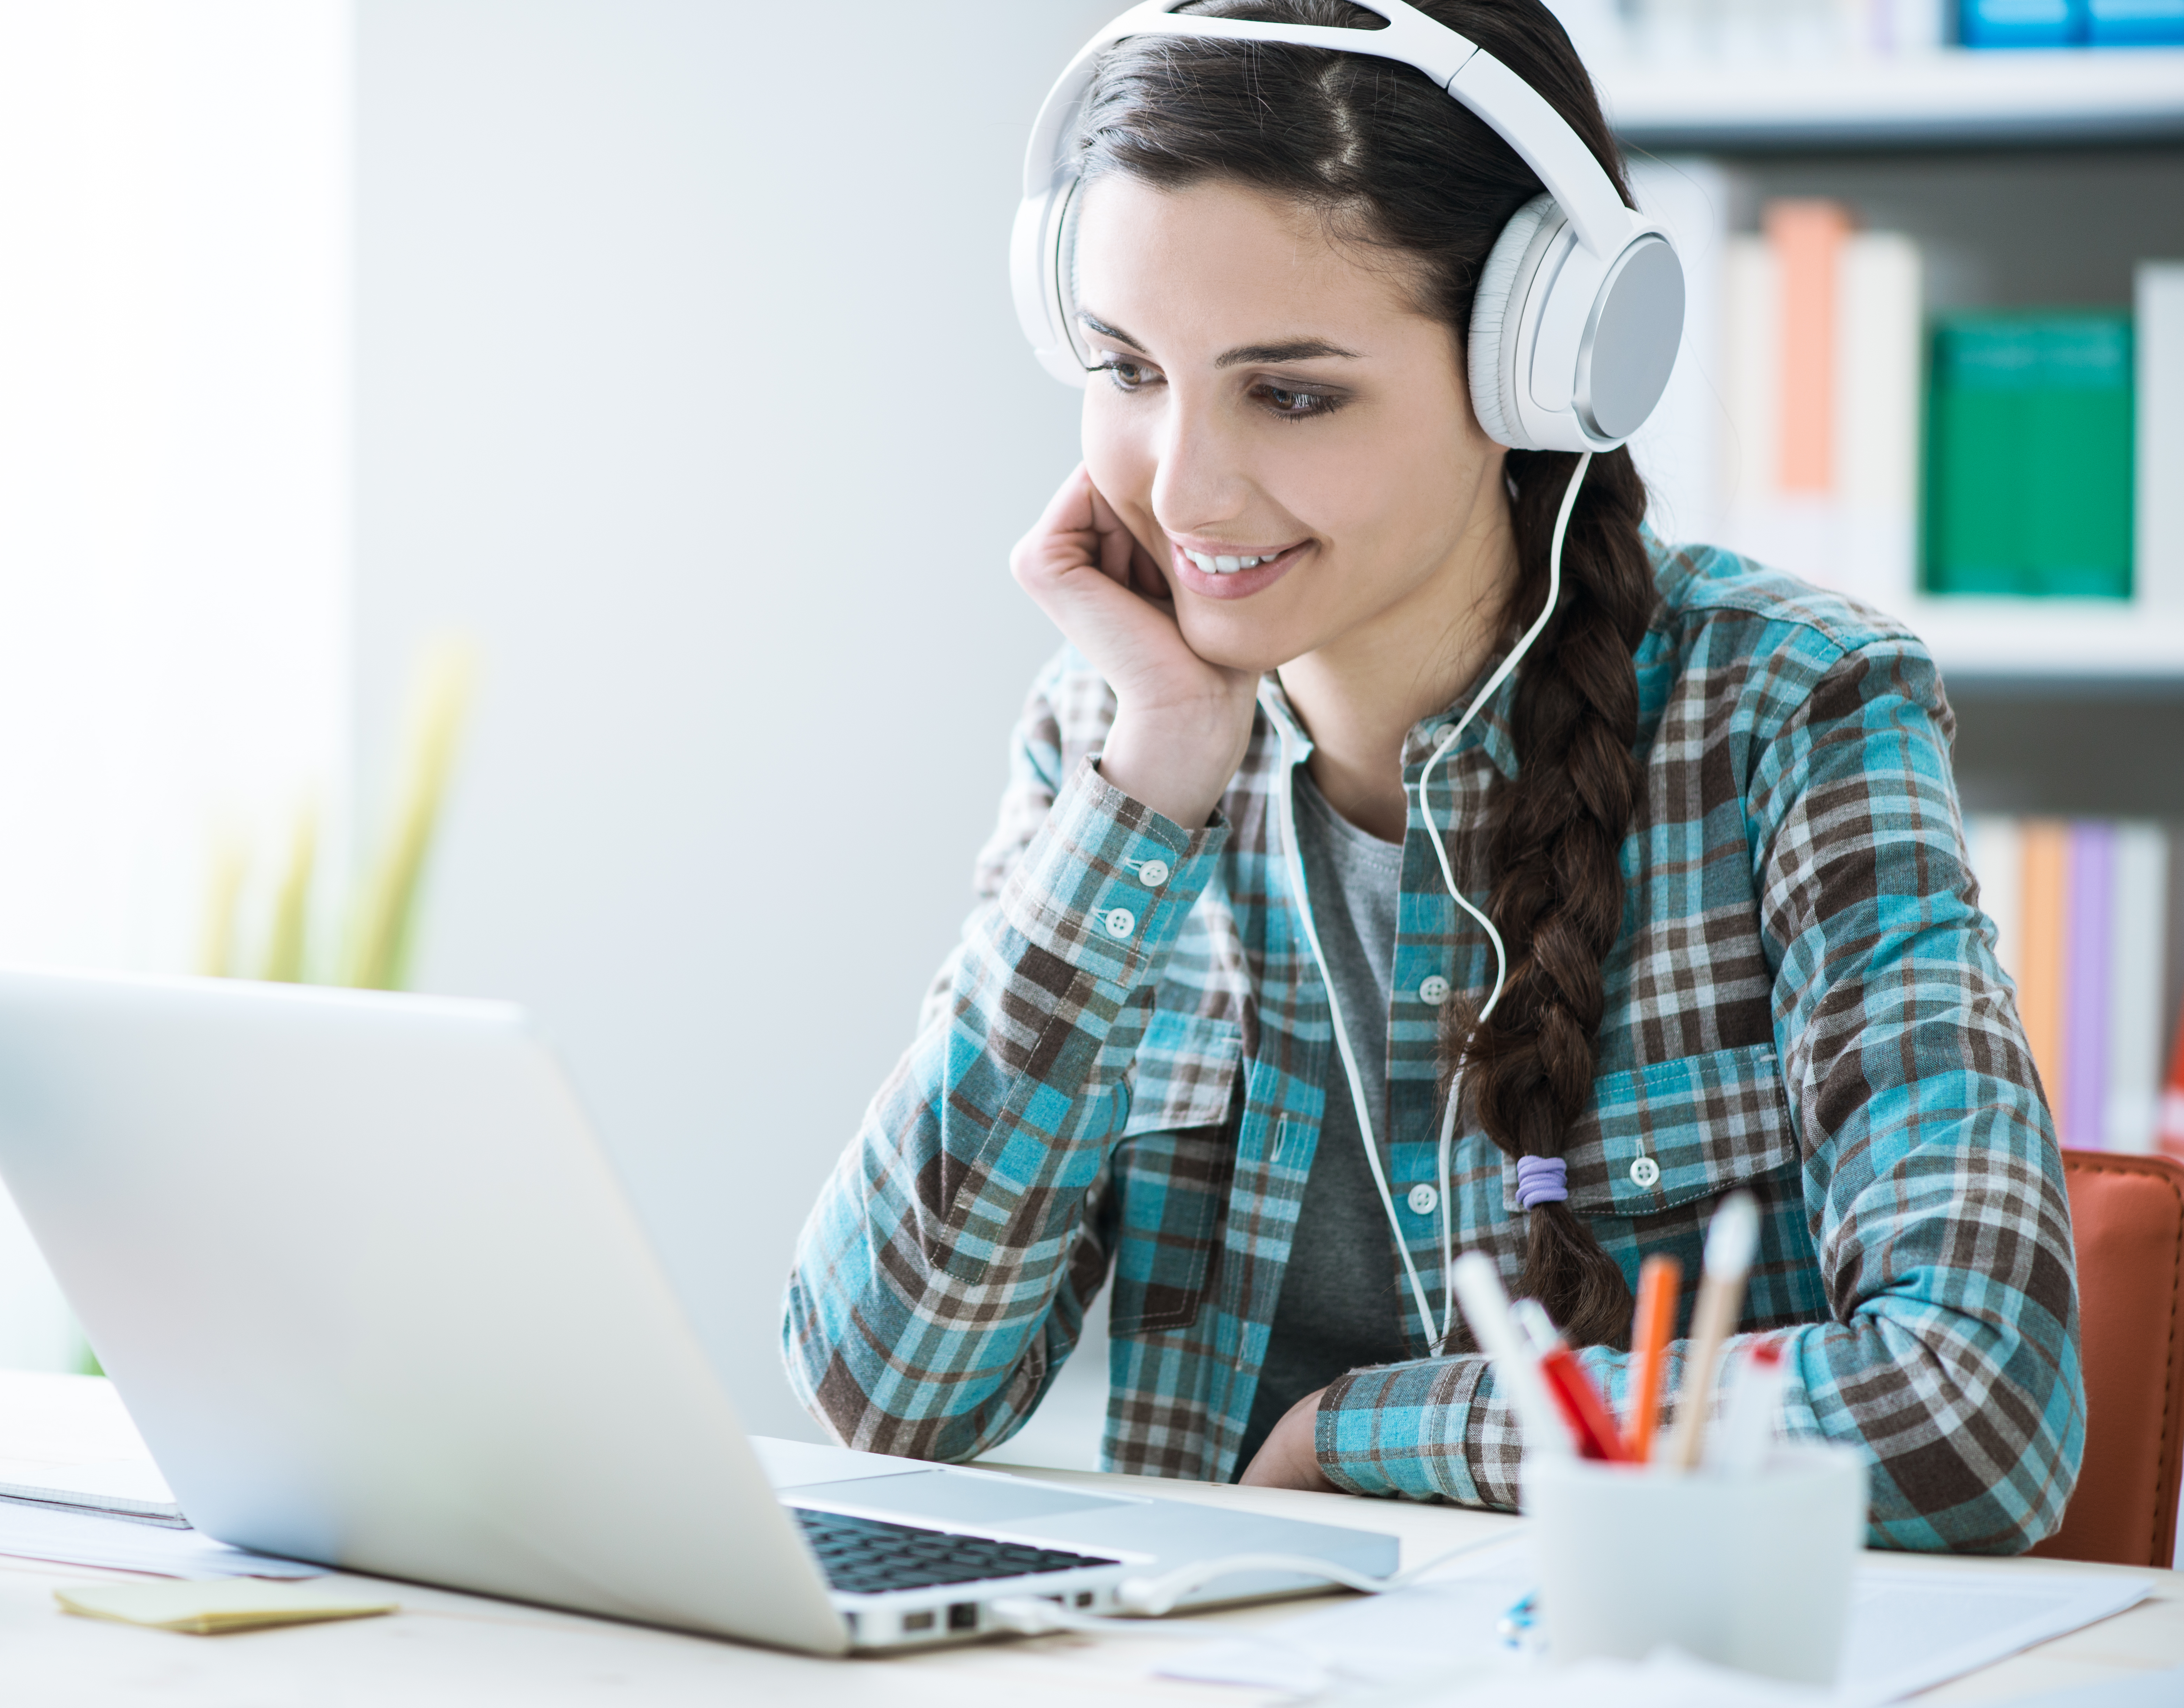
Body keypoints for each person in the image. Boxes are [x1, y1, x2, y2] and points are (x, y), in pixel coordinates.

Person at [782, 0, 2080, 1552]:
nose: (1180, 484)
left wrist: (1372, 1429)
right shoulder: (1109, 739)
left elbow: (1974, 1414)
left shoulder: (1792, 714)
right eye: (1128, 369)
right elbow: (887, 1389)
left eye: (1293, 392)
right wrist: (1149, 784)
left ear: (1543, 366)